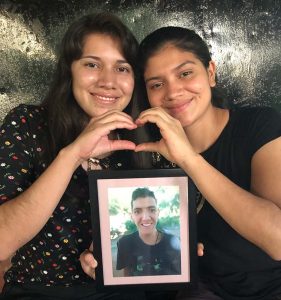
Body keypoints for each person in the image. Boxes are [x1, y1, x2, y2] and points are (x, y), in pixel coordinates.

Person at [0, 12, 147, 300]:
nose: (108, 81)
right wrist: (73, 154)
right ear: (70, 70)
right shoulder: (28, 124)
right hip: (38, 291)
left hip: (123, 290)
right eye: (92, 64)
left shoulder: (142, 136)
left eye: (122, 68)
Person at [134, 26, 281, 299]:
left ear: (210, 73)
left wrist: (188, 159)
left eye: (185, 73)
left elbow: (278, 240)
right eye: (157, 84)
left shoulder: (259, 125)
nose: (173, 91)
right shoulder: (147, 150)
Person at [116, 187, 181, 276]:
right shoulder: (124, 243)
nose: (146, 218)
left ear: (158, 213)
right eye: (137, 211)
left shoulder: (174, 242)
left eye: (152, 210)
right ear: (132, 216)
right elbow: (127, 276)